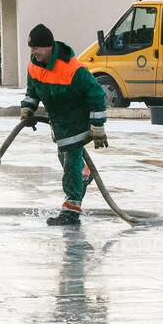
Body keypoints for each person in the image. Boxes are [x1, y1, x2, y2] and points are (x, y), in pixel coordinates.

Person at [20, 24, 108, 227]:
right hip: (58, 124)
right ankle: (83, 175)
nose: (33, 52)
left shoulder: (72, 69)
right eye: (31, 48)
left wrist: (97, 126)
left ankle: (71, 211)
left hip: (77, 121)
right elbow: (33, 91)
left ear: (48, 47)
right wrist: (28, 108)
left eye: (37, 48)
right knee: (65, 159)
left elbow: (97, 94)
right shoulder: (34, 66)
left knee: (69, 166)